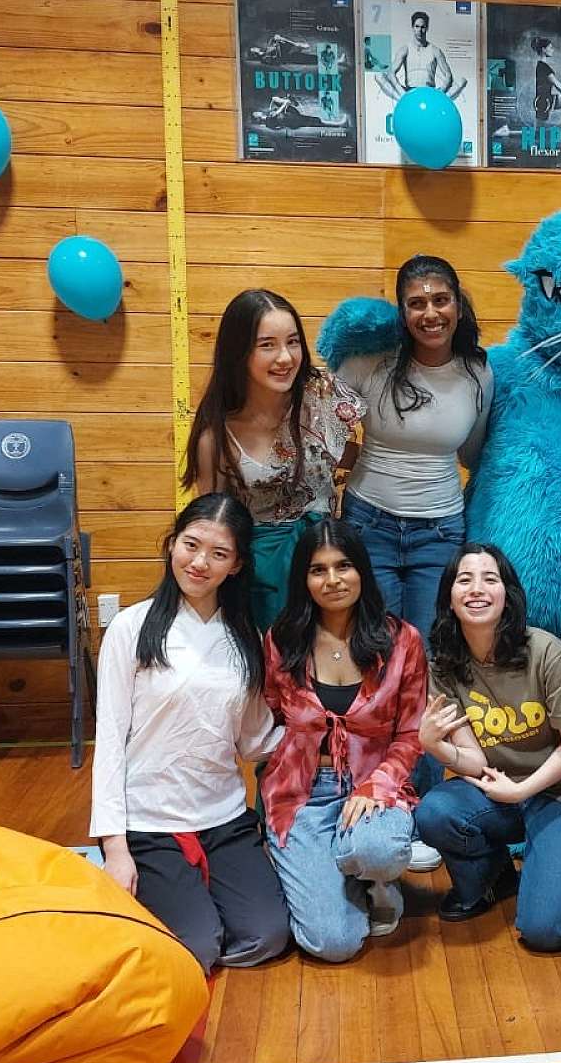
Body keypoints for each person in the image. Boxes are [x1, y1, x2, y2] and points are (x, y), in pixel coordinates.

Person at [90, 494, 289, 975]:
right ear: (172, 544)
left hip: (222, 817)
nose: (200, 563)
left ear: (236, 565)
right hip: (150, 821)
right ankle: (184, 907)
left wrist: (328, 735)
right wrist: (115, 848)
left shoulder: (244, 638)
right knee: (197, 947)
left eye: (218, 554)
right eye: (191, 545)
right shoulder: (130, 628)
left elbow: (254, 739)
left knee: (267, 936)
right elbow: (110, 741)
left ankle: (193, 901)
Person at [414, 544, 561, 951]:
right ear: (449, 596)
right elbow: (474, 759)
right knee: (434, 812)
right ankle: (492, 878)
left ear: (508, 594)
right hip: (497, 790)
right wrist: (433, 745)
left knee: (546, 930)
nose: (476, 589)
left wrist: (521, 790)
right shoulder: (444, 663)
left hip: (560, 792)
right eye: (464, 580)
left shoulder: (547, 652)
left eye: (490, 579)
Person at [259, 518, 427, 963]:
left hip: (375, 784)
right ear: (304, 579)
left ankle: (376, 879)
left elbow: (411, 733)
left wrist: (378, 786)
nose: (332, 580)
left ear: (362, 571)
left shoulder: (402, 640)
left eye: (343, 566)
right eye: (318, 570)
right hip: (303, 793)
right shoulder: (282, 639)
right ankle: (329, 866)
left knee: (378, 850)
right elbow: (271, 717)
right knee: (332, 944)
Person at [332, 256, 492, 650]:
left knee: (427, 649)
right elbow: (321, 424)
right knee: (376, 646)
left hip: (440, 531)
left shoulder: (479, 374)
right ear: (402, 314)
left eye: (441, 300)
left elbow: (472, 455)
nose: (430, 313)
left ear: (458, 306)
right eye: (417, 304)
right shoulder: (368, 362)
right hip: (369, 522)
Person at [184, 289, 362, 634]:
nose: (285, 357)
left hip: (328, 562)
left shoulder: (322, 393)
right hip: (262, 576)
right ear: (239, 352)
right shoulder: (216, 435)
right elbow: (214, 523)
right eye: (267, 345)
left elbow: (364, 452)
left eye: (293, 342)